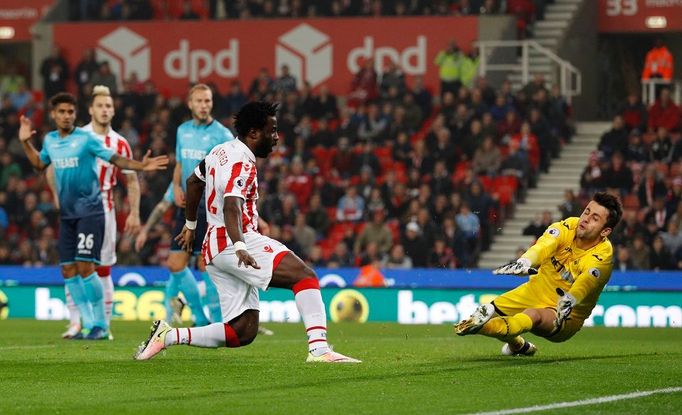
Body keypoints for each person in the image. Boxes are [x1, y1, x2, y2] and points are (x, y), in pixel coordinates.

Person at [134, 101, 359, 363]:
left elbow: (193, 181)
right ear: (253, 133)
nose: (275, 138)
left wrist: (191, 225)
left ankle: (168, 336)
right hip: (234, 242)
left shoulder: (220, 151)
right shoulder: (243, 162)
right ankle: (319, 349)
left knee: (242, 331)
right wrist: (240, 245)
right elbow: (232, 205)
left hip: (214, 246)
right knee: (304, 276)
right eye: (272, 131)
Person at [18, 92, 168, 340]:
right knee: (68, 270)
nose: (66, 116)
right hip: (67, 215)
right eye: (62, 112)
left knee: (88, 267)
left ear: (76, 114)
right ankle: (86, 324)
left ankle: (101, 325)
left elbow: (116, 159)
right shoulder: (51, 140)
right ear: (53, 114)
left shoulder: (86, 139)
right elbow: (39, 165)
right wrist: (25, 143)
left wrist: (141, 166)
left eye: (70, 112)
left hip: (91, 211)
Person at [454, 192, 623, 356]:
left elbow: (586, 283)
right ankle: (519, 346)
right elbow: (544, 246)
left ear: (605, 231)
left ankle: (480, 328)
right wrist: (525, 262)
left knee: (531, 316)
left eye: (595, 218)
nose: (586, 218)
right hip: (534, 290)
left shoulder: (602, 257)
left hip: (563, 312)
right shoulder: (568, 226)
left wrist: (570, 299)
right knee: (490, 309)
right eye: (586, 211)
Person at [135, 183, 275, 336]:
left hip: (215, 222)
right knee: (193, 265)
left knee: (214, 267)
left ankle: (222, 318)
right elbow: (163, 205)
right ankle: (209, 319)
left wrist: (258, 220)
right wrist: (145, 230)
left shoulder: (212, 173)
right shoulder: (181, 181)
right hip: (196, 220)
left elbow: (232, 199)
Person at [58, 85, 141, 339]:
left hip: (103, 212)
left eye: (109, 106)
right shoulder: (75, 136)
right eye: (100, 106)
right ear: (91, 110)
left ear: (113, 111)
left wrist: (135, 213)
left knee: (101, 269)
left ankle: (103, 325)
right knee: (70, 267)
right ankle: (76, 323)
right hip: (73, 211)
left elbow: (132, 181)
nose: (105, 110)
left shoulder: (120, 143)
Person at [167, 83, 235, 327]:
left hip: (209, 207)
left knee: (206, 265)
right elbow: (178, 163)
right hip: (186, 205)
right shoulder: (182, 131)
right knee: (175, 263)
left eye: (207, 101)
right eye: (199, 101)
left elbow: (231, 172)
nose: (204, 105)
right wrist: (175, 186)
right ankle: (200, 317)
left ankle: (217, 323)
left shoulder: (223, 135)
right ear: (190, 104)